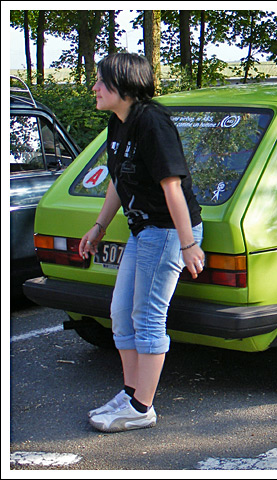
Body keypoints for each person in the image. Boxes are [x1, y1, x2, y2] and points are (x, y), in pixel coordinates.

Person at [79, 52, 204, 433]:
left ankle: (141, 407)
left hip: (167, 232)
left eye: (101, 81)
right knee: (121, 312)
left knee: (148, 315)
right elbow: (118, 180)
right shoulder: (117, 124)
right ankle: (131, 392)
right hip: (143, 230)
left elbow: (172, 186)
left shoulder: (153, 123)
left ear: (123, 85)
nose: (95, 87)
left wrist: (187, 245)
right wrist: (99, 225)